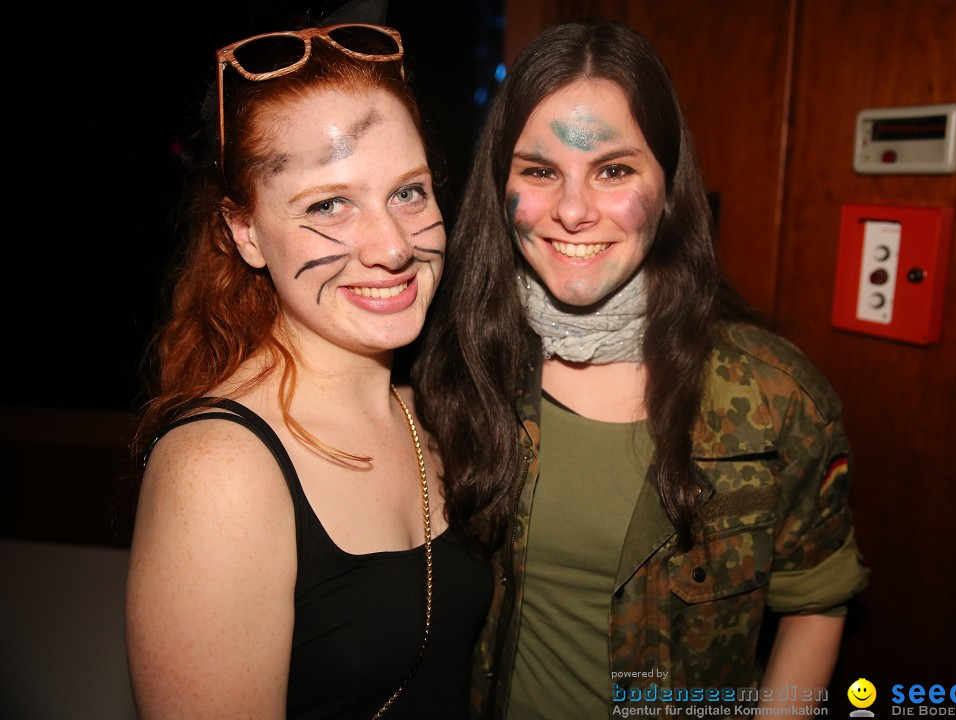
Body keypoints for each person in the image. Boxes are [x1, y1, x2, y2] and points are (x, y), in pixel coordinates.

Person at [415, 20, 869, 719]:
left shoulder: (779, 398)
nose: (571, 210)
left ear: (668, 184)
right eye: (539, 171)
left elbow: (815, 604)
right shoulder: (457, 369)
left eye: (614, 170)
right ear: (499, 183)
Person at [126, 23, 492, 719]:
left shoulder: (430, 410)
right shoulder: (219, 469)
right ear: (245, 232)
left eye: (409, 193)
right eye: (329, 205)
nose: (391, 247)